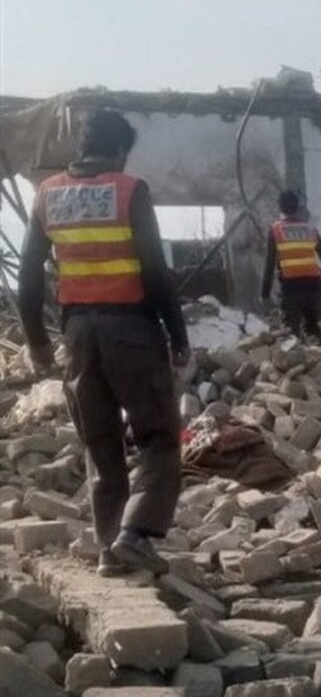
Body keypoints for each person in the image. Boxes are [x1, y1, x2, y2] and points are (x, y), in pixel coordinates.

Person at [18, 110, 189, 577]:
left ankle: (110, 547)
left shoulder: (47, 194)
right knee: (158, 437)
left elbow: (29, 276)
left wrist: (36, 342)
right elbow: (155, 270)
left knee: (100, 441)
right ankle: (135, 535)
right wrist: (178, 335)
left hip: (77, 335)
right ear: (118, 151)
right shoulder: (129, 190)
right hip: (131, 330)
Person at [261, 190, 321, 343]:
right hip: (314, 287)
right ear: (297, 207)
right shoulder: (309, 229)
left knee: (291, 336)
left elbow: (269, 265)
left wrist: (265, 294)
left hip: (292, 289)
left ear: (280, 207)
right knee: (313, 331)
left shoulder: (276, 230)